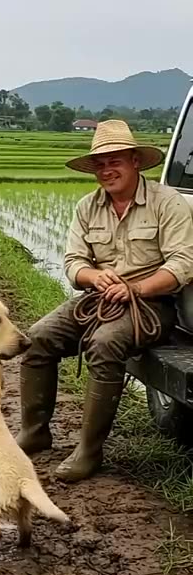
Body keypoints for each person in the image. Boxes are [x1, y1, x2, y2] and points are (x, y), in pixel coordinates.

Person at [17, 119, 193, 482]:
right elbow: (73, 263)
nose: (107, 170)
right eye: (100, 163)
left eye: (115, 161)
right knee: (36, 339)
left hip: (151, 305)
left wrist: (137, 288)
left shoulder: (167, 203)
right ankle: (35, 433)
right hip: (96, 298)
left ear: (135, 162)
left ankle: (89, 452)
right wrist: (94, 276)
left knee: (105, 342)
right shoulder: (88, 207)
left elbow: (183, 263)